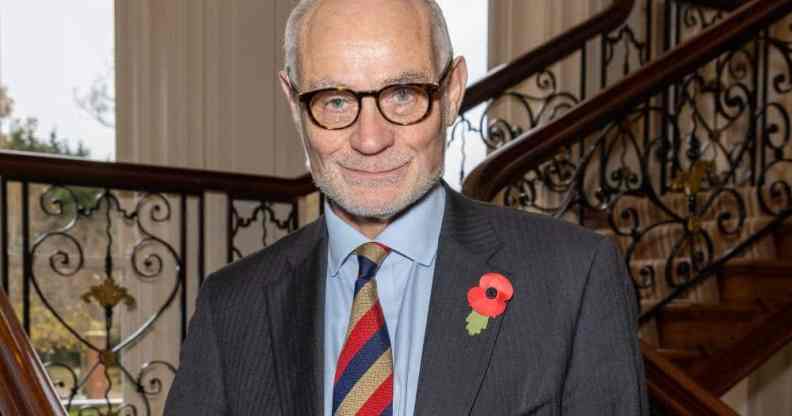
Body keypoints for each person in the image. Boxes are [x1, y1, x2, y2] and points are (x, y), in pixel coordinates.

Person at [164, 0, 649, 415]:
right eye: (334, 101)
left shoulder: (573, 279)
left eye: (402, 94)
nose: (369, 139)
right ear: (294, 103)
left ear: (453, 91)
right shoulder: (231, 307)